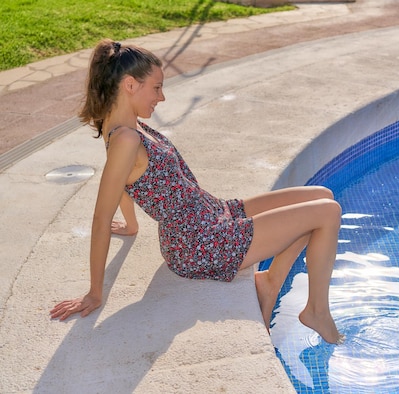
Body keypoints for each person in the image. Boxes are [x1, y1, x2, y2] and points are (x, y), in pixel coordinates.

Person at [49, 39, 344, 345]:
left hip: (212, 215)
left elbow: (123, 182)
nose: (161, 97)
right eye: (156, 88)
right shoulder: (125, 139)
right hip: (199, 242)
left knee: (321, 196)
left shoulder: (126, 125)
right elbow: (100, 217)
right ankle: (316, 311)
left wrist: (132, 225)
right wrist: (95, 292)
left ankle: (270, 284)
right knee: (327, 213)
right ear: (130, 85)